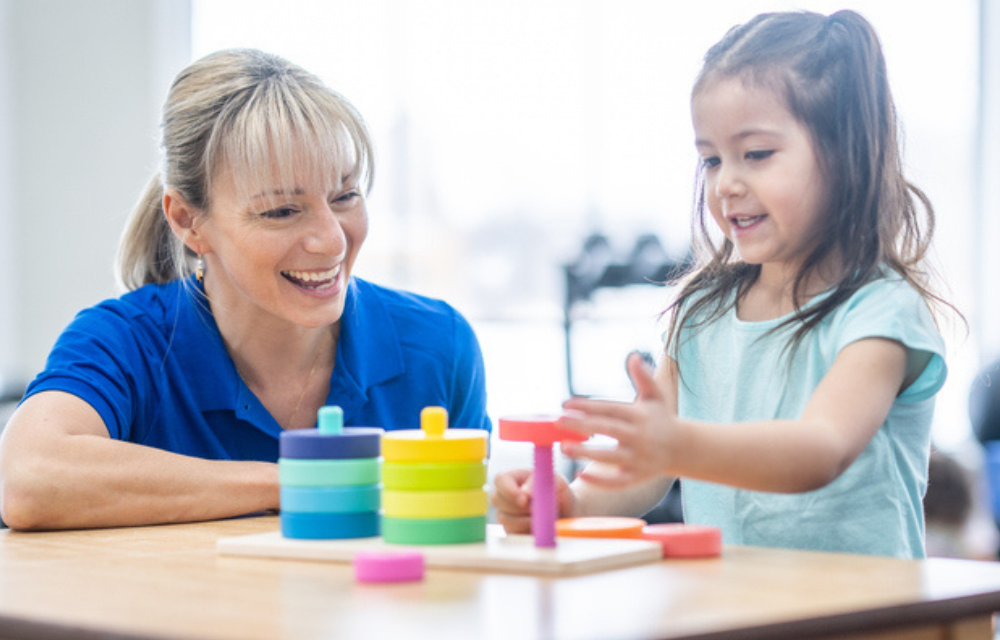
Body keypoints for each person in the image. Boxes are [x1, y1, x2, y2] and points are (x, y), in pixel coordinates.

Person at [492, 10, 953, 558]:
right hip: (736, 610)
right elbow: (651, 465)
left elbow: (820, 450)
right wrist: (569, 502)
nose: (726, 183)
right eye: (711, 159)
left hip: (868, 619)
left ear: (845, 154)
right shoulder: (701, 312)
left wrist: (679, 444)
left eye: (755, 154)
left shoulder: (881, 312)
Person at [0, 49, 490, 531]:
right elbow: (27, 480)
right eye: (281, 211)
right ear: (188, 222)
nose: (332, 240)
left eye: (345, 196)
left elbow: (472, 532)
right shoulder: (125, 342)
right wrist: (299, 483)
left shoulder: (438, 345)